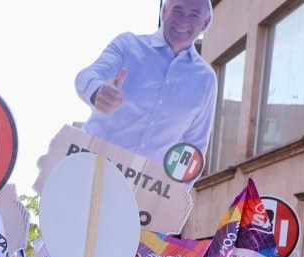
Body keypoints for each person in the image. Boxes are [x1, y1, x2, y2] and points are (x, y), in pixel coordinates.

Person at [74, 0, 215, 161]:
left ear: (205, 22)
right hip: (89, 164)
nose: (183, 21)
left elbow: (194, 148)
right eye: (177, 10)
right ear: (164, 12)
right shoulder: (128, 45)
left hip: (142, 177)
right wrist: (97, 91)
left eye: (194, 15)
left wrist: (178, 178)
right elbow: (86, 75)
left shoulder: (206, 80)